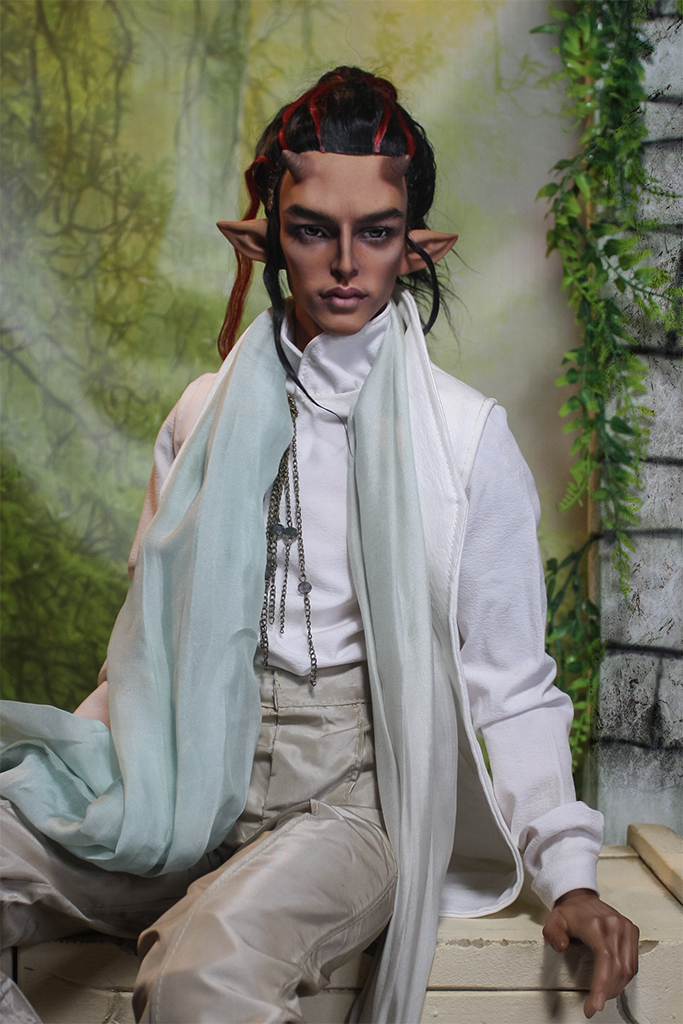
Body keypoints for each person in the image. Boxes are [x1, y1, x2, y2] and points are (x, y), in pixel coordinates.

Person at [0, 67, 639, 1024]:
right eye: (311, 230)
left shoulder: (463, 437)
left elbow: (509, 682)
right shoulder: (200, 414)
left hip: (346, 802)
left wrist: (570, 872)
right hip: (180, 771)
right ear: (266, 239)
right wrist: (100, 771)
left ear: (413, 248)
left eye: (374, 232)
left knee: (199, 981)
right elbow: (142, 641)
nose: (344, 262)